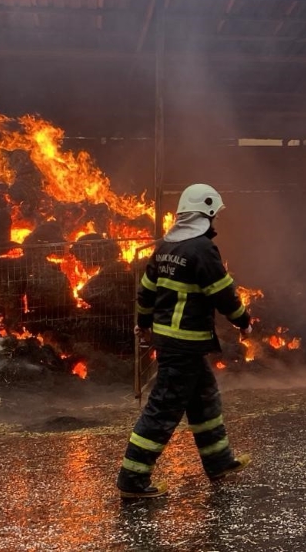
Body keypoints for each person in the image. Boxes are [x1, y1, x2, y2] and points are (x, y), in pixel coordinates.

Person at [116, 183, 253, 499]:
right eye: (214, 215)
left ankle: (219, 463)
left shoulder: (165, 247)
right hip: (184, 345)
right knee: (162, 411)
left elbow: (146, 291)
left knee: (204, 400)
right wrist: (243, 321)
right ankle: (132, 480)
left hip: (174, 343)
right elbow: (222, 292)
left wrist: (143, 323)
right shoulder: (202, 249)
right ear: (206, 213)